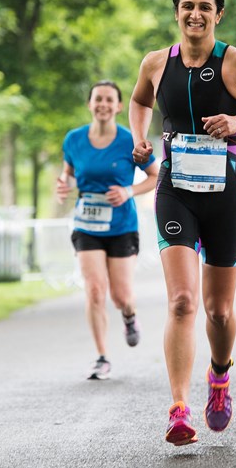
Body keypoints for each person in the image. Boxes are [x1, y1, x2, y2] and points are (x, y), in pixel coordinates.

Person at [128, 0, 236, 445]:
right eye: (187, 6)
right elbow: (140, 101)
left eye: (204, 6)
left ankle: (219, 378)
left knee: (218, 311)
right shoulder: (157, 63)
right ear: (176, 12)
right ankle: (179, 409)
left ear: (218, 14)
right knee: (182, 301)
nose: (195, 14)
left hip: (226, 191)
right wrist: (140, 138)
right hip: (175, 187)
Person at [56, 80, 159, 381]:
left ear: (117, 106)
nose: (102, 104)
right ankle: (102, 357)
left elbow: (155, 175)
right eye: (97, 99)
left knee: (121, 295)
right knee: (94, 289)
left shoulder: (129, 140)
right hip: (87, 225)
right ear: (90, 104)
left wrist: (128, 191)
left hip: (122, 226)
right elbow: (69, 175)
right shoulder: (74, 139)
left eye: (109, 100)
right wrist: (63, 185)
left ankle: (129, 316)